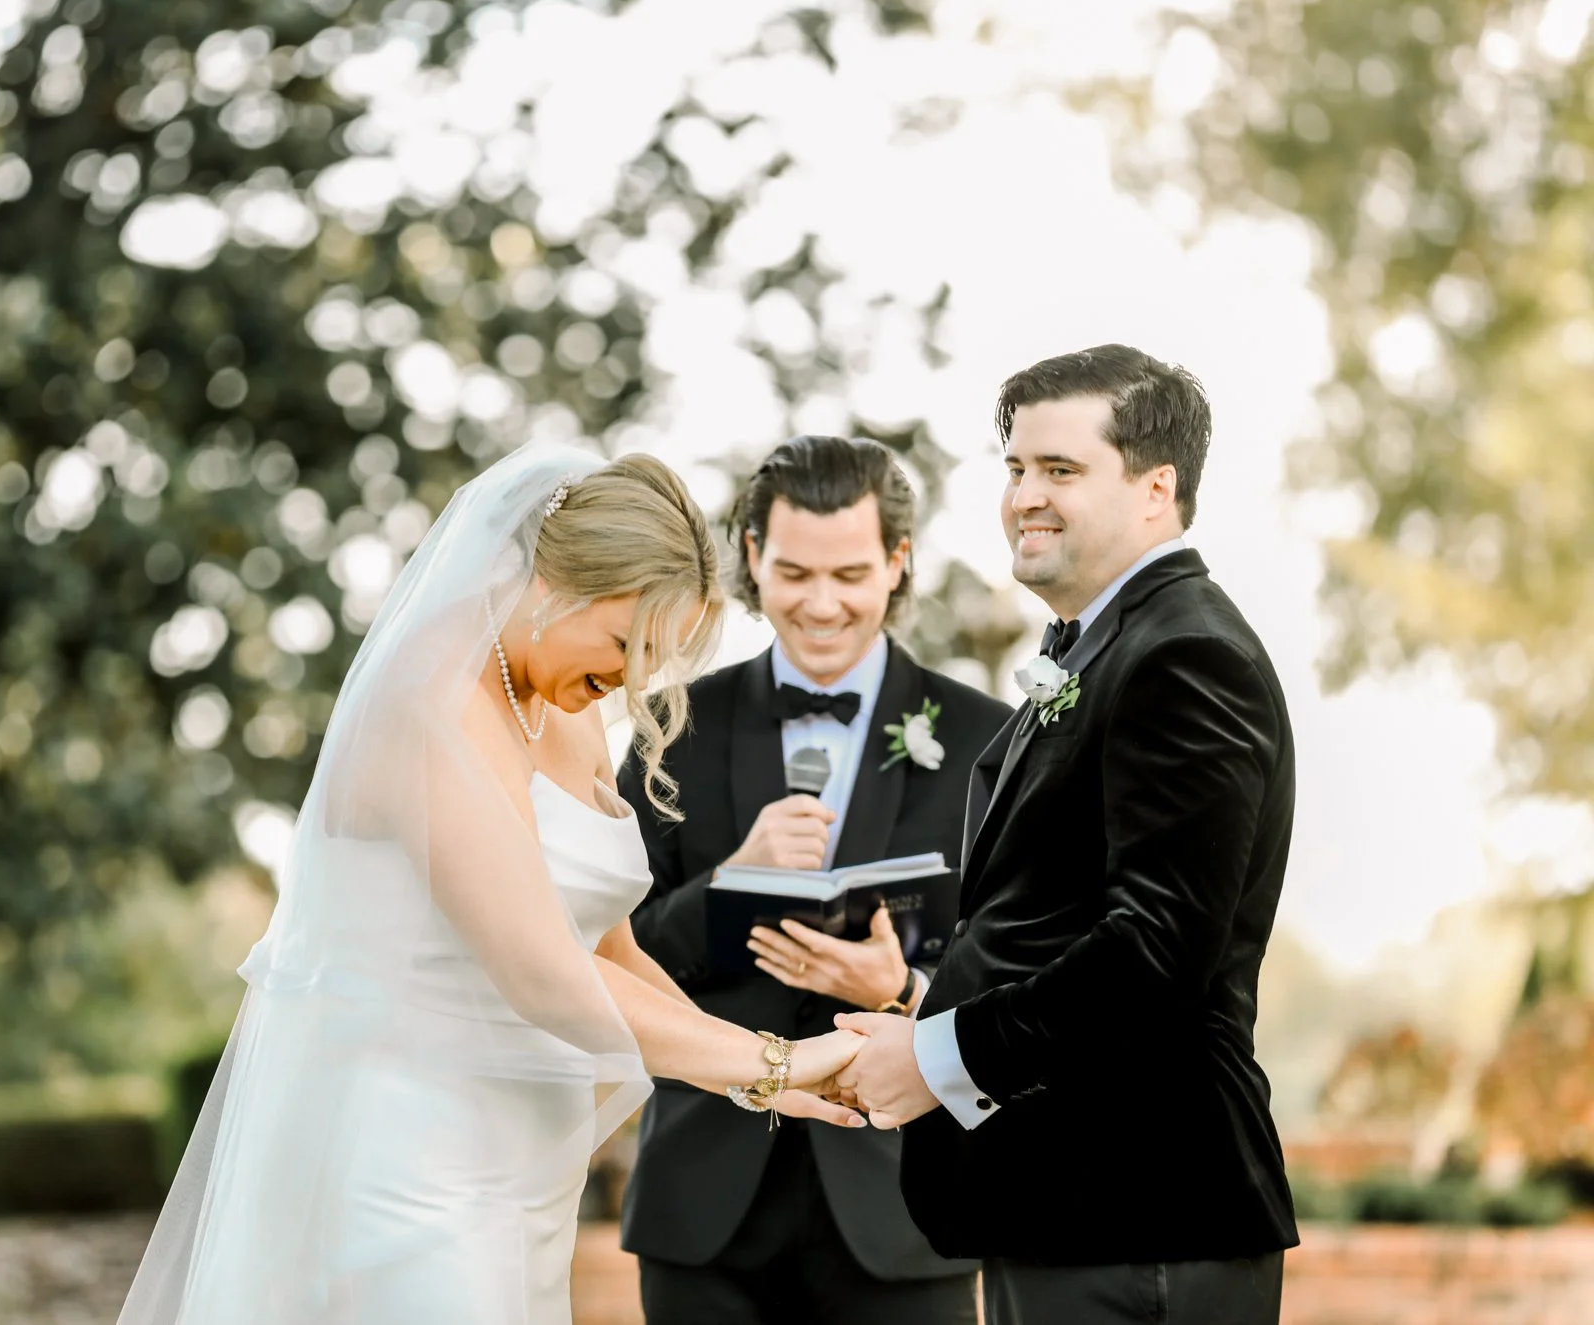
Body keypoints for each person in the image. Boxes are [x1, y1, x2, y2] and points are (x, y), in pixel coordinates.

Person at [116, 443, 869, 1325]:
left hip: (528, 1166)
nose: (630, 681)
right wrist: (774, 1065)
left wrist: (754, 1069)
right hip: (413, 1165)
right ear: (558, 582)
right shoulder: (427, 699)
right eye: (625, 642)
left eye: (653, 660)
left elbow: (609, 950)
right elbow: (541, 969)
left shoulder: (568, 709)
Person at [831, 345, 1299, 1324]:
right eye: (1014, 469)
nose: (1022, 497)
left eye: (1059, 470)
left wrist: (932, 1055)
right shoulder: (1118, 645)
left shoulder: (1184, 656)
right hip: (1070, 1212)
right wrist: (915, 996)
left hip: (1139, 1214)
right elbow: (1061, 927)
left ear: (1153, 489)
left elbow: (1155, 954)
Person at [618, 436, 1009, 1324]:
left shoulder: (992, 735)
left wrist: (904, 989)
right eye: (794, 573)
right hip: (703, 1213)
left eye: (850, 574)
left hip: (908, 1212)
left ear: (897, 563)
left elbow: (1028, 963)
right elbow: (600, 957)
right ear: (752, 556)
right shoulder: (671, 726)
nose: (822, 604)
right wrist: (731, 883)